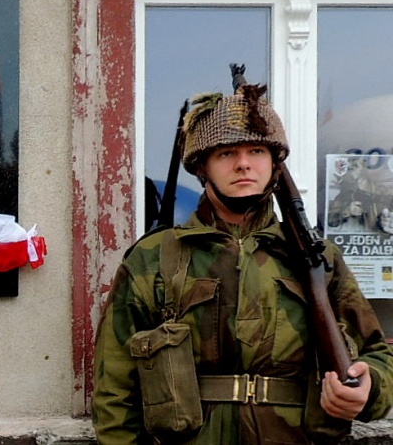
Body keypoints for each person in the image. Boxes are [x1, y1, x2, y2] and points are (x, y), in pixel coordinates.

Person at [92, 85, 393, 444]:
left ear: (274, 163)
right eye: (226, 153)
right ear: (202, 167)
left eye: (257, 150)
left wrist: (368, 387)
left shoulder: (319, 259)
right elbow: (114, 390)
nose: (244, 163)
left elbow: (378, 355)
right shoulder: (154, 257)